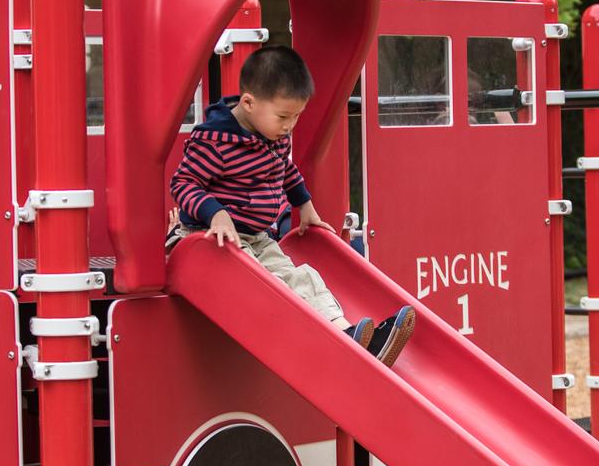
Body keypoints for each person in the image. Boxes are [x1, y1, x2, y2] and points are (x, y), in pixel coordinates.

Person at [170, 44, 416, 367]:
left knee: (300, 276)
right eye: (284, 116)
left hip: (257, 237)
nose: (289, 126)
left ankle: (345, 334)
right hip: (209, 242)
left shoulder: (272, 134)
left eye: (297, 117)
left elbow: (286, 170)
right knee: (265, 282)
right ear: (248, 103)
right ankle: (325, 340)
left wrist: (307, 207)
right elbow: (183, 183)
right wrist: (215, 212)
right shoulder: (214, 141)